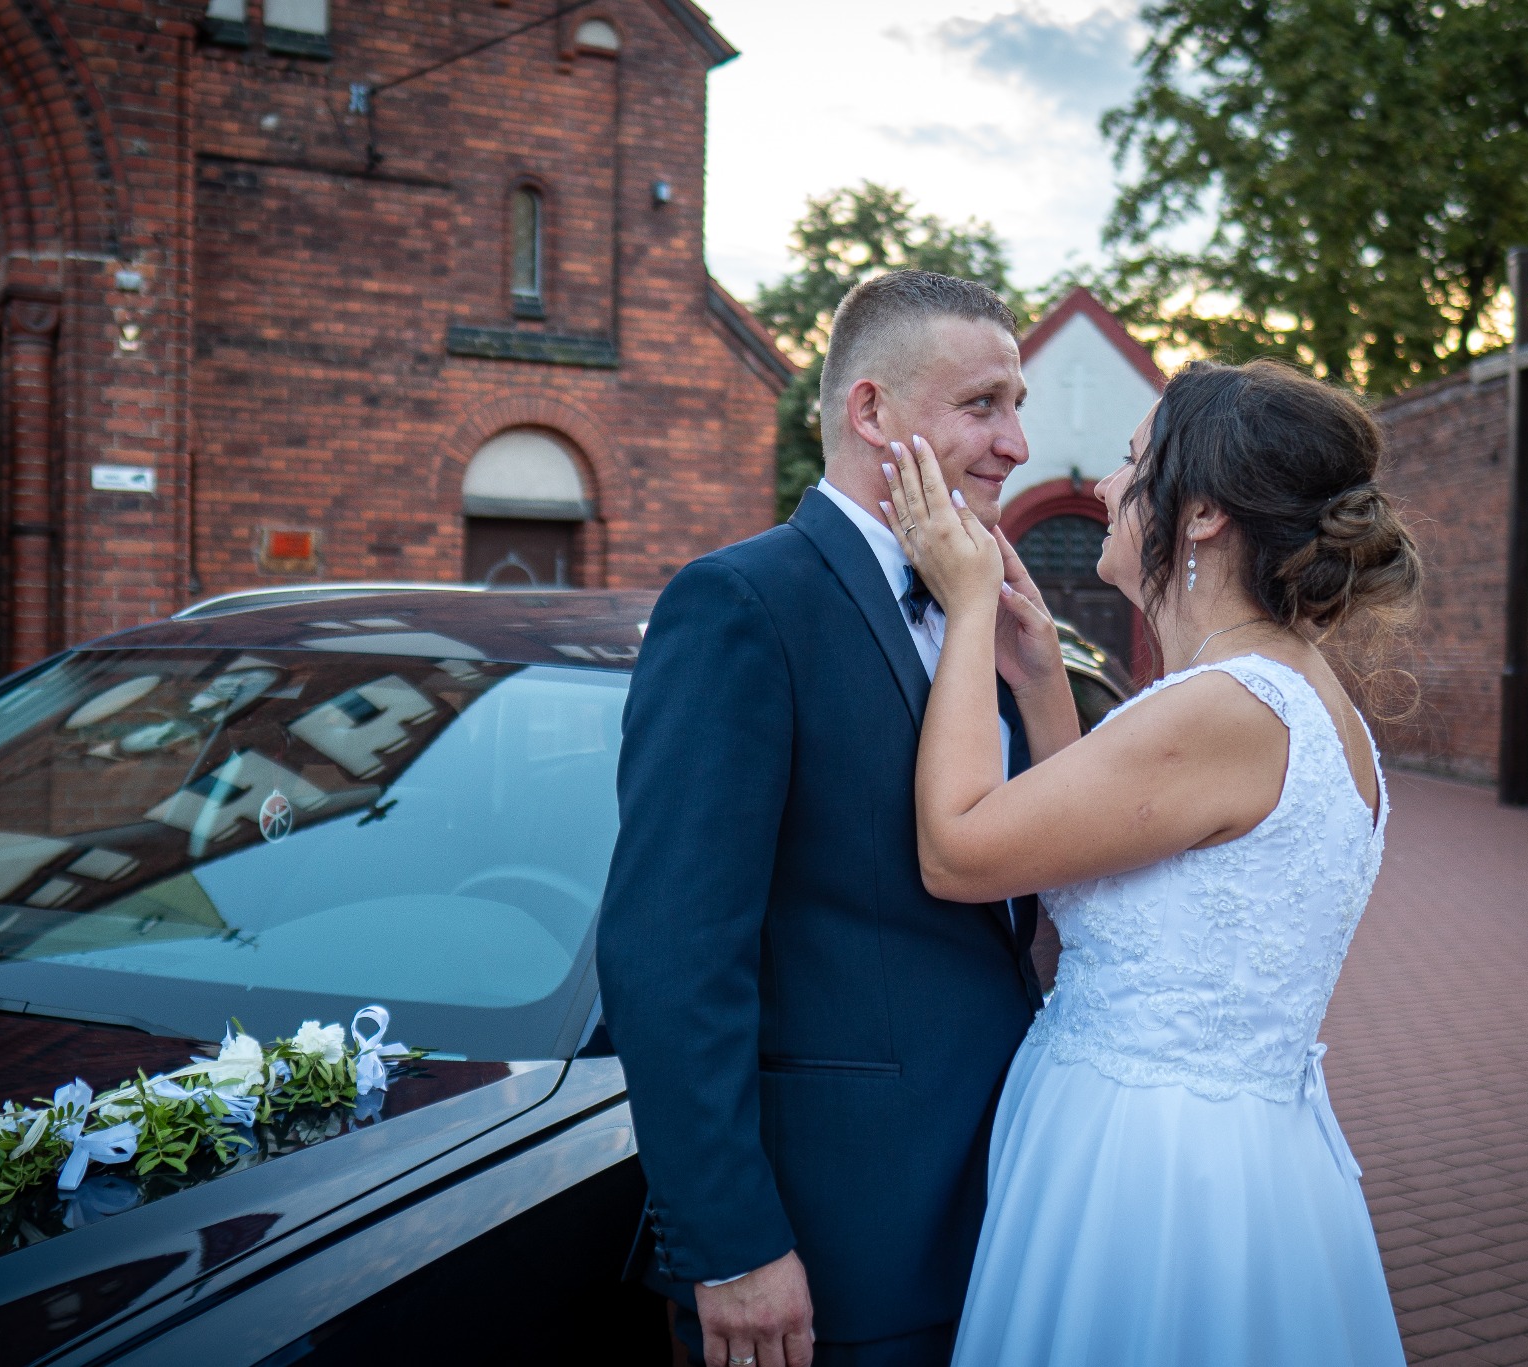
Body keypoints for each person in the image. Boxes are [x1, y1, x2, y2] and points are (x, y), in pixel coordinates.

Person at [883, 358, 1420, 1366]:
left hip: (1152, 1173)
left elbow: (958, 850)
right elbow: (1105, 854)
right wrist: (1041, 680)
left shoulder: (1226, 706)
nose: (1101, 487)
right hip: (1222, 1147)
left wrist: (961, 610)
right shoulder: (1272, 689)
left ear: (1204, 513)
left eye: (1132, 463)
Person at [596, 270, 1057, 1367]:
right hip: (829, 1243)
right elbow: (667, 948)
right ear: (869, 412)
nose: (1015, 444)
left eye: (1018, 405)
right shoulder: (742, 603)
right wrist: (732, 1243)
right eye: (983, 404)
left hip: (998, 1202)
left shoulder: (983, 605)